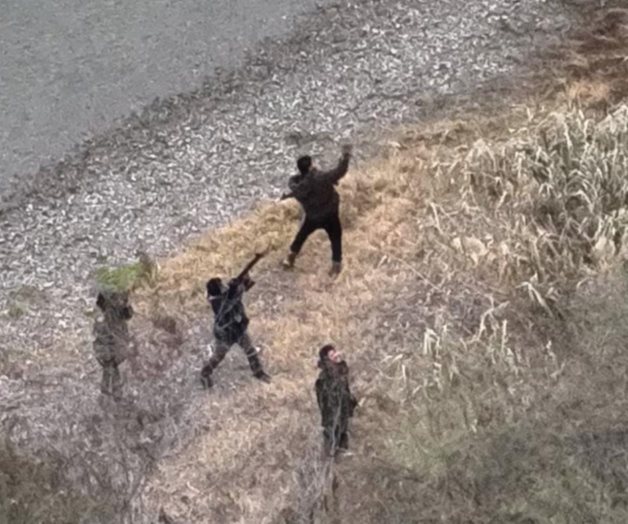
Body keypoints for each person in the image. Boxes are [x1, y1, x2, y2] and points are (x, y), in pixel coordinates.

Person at [280, 144, 353, 276]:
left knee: (301, 235)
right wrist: (345, 156)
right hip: (330, 214)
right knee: (336, 237)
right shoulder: (322, 177)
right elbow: (340, 171)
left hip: (312, 216)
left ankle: (290, 258)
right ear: (310, 166)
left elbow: (296, 188)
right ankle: (336, 267)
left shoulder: (297, 186)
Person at [200, 273, 271, 388]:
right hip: (225, 334)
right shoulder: (217, 303)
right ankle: (204, 374)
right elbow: (229, 303)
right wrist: (235, 288)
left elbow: (245, 287)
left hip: (238, 330)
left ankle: (258, 373)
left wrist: (242, 280)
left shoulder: (228, 294)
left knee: (250, 350)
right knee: (218, 356)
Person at [315, 344, 357, 456]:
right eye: (332, 355)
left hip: (342, 410)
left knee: (342, 431)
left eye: (335, 353)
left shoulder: (340, 372)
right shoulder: (324, 377)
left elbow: (344, 388)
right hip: (332, 412)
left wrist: (350, 402)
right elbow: (326, 399)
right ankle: (330, 456)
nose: (336, 355)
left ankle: (340, 453)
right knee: (332, 434)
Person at [92, 289, 134, 399]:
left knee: (110, 365)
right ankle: (112, 394)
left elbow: (128, 313)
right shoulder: (107, 310)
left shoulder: (116, 309)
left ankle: (111, 394)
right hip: (110, 339)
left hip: (114, 339)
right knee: (110, 365)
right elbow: (128, 313)